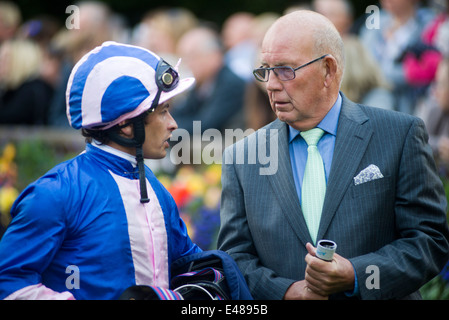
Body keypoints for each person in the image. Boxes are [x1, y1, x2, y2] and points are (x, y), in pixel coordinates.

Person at [217, 10, 449, 300]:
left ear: (328, 69)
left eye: (285, 70)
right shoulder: (243, 157)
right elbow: (234, 258)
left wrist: (356, 275)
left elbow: (429, 241)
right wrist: (287, 292)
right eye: (265, 69)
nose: (271, 84)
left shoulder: (398, 134)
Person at [0, 41, 202, 299]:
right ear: (127, 125)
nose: (173, 124)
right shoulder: (54, 193)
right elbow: (8, 282)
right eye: (163, 112)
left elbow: (188, 264)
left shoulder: (156, 188)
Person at [171, 26, 246, 134]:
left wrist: (168, 128)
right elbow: (179, 113)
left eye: (191, 56)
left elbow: (207, 125)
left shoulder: (231, 83)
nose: (187, 64)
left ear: (214, 55)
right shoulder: (203, 82)